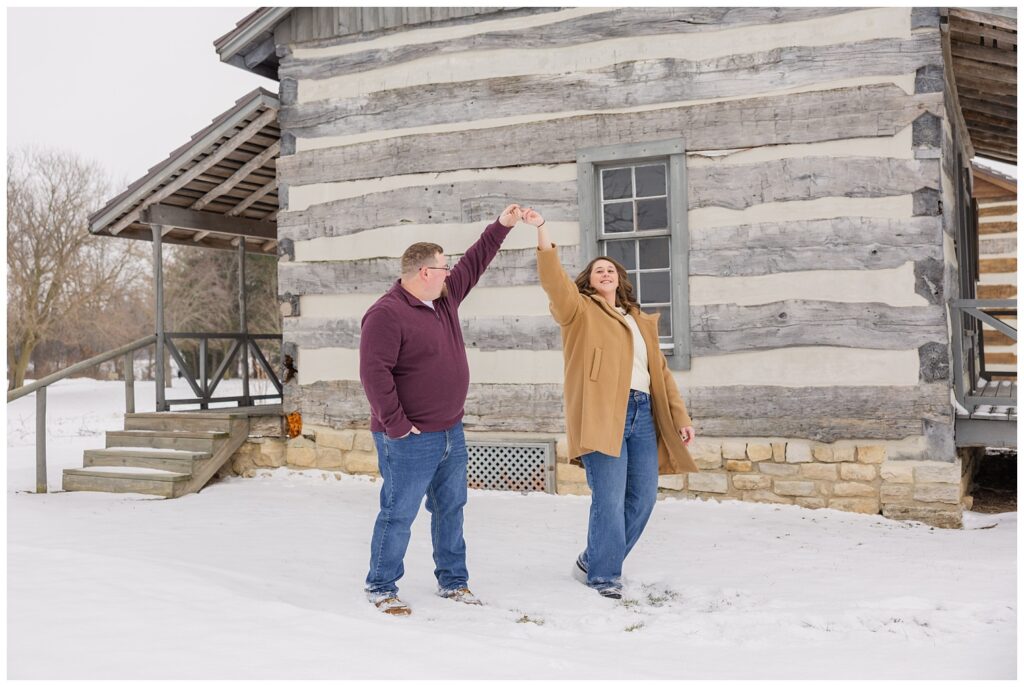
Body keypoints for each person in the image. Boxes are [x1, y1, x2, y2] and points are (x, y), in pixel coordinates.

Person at [523, 207, 698, 599]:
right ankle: (604, 576)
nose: (605, 273)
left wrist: (680, 416)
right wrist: (541, 232)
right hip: (605, 416)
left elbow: (662, 375)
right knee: (609, 498)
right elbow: (555, 284)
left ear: (620, 280)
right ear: (589, 280)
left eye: (611, 270)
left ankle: (592, 559)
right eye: (598, 270)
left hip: (642, 414)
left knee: (644, 497)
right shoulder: (579, 310)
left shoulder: (638, 320)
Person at [359, 204, 524, 615]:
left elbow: (475, 260)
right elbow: (373, 374)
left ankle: (454, 582)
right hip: (409, 437)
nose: (451, 273)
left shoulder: (445, 300)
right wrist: (397, 426)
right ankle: (381, 585)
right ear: (424, 273)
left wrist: (502, 226)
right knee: (399, 512)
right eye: (443, 268)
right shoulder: (385, 313)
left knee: (451, 508)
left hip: (451, 431)